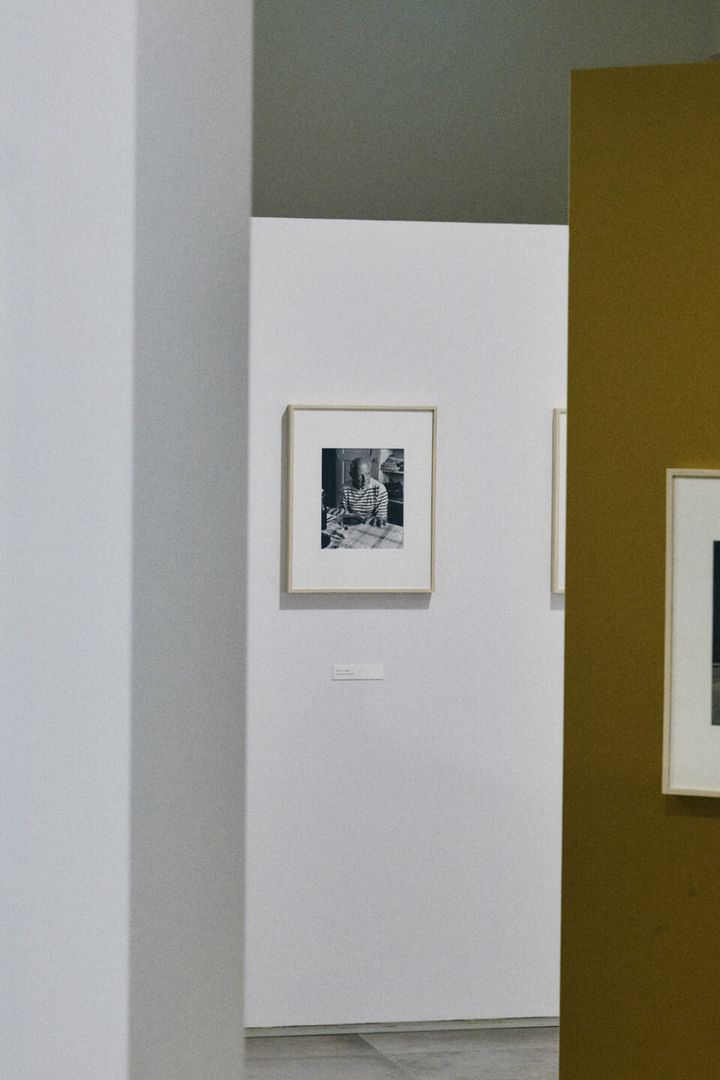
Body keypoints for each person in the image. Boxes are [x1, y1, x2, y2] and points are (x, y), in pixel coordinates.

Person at [342, 456, 388, 527]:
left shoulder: (380, 489)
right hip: (352, 523)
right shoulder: (345, 488)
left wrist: (379, 519)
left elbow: (382, 516)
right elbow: (343, 511)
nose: (364, 480)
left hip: (371, 524)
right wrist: (341, 511)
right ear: (351, 475)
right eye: (359, 476)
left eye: (367, 474)